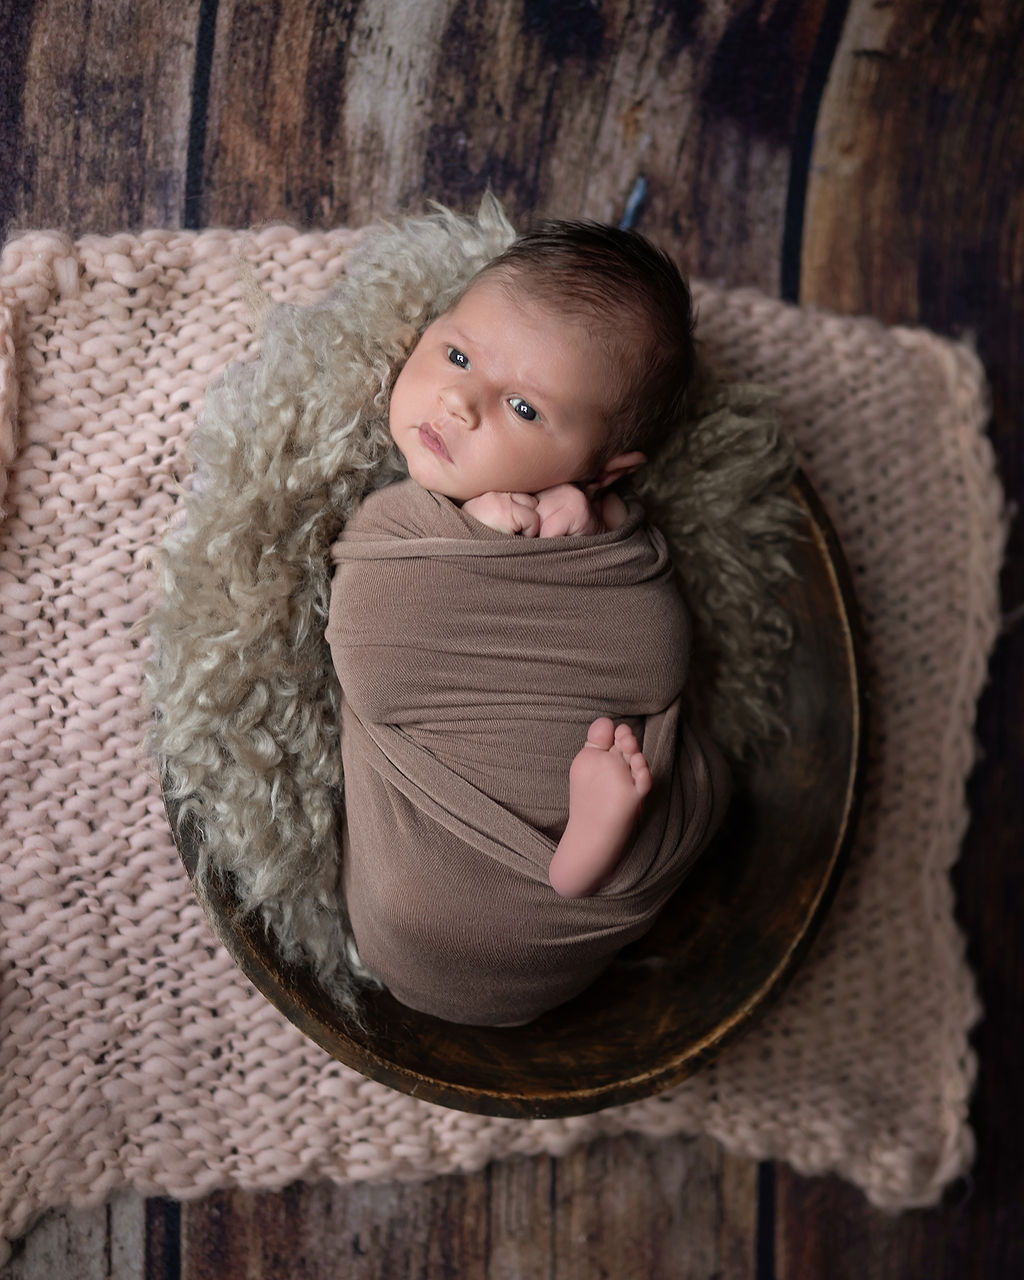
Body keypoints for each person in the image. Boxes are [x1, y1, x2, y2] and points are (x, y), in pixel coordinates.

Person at [326, 222, 729, 1024]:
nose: (459, 402)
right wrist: (491, 523)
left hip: (446, 900)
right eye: (459, 356)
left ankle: (585, 855)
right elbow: (381, 659)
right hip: (442, 882)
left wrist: (588, 538)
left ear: (605, 467)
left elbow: (650, 657)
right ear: (427, 332)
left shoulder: (578, 524)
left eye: (522, 407)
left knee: (656, 663)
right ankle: (585, 859)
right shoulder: (437, 517)